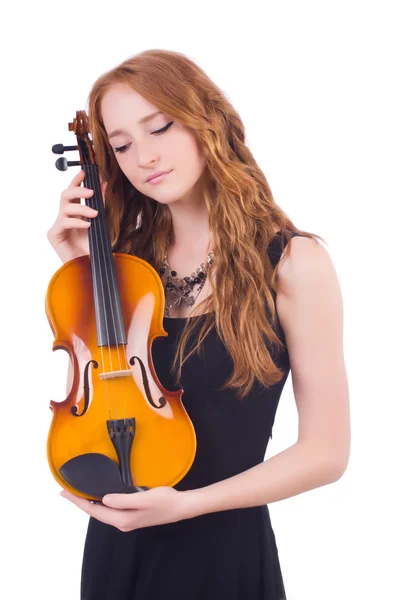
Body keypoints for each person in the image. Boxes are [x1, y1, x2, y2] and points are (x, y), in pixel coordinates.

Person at [47, 49, 350, 600]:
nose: (144, 156)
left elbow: (326, 454)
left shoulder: (292, 263)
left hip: (223, 556)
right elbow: (111, 397)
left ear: (205, 120)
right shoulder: (127, 266)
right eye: (121, 145)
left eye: (159, 126)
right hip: (118, 554)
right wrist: (80, 266)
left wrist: (188, 505)